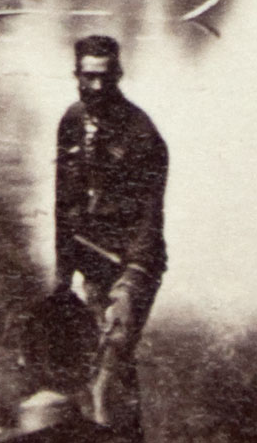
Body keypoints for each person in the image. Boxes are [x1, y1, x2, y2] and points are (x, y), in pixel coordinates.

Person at [53, 36, 166, 440]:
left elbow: (150, 222)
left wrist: (129, 288)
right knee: (109, 366)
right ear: (77, 75)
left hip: (134, 264)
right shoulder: (70, 121)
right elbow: (64, 203)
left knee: (106, 371)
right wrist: (63, 277)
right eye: (88, 77)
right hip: (93, 261)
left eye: (105, 77)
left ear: (118, 75)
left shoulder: (141, 133)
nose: (96, 87)